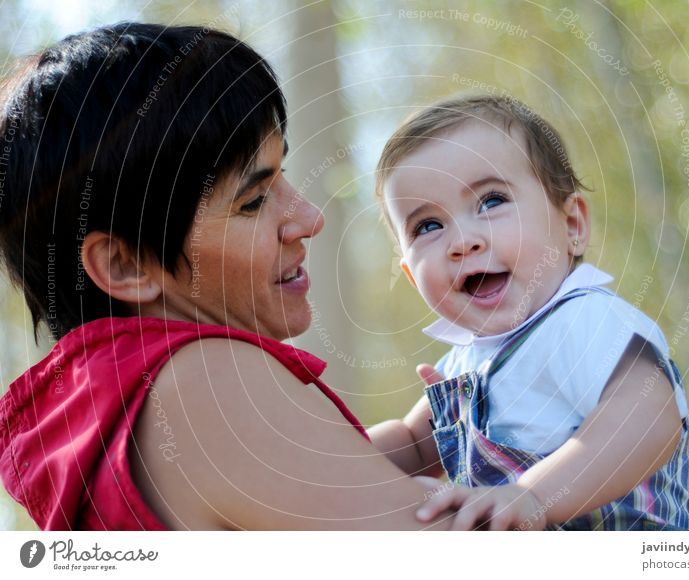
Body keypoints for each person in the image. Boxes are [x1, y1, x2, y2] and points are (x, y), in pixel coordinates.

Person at [0, 22, 453, 531]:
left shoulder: (113, 417)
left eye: (284, 176)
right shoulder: (205, 382)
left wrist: (427, 442)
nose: (309, 219)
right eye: (254, 201)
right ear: (125, 266)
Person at [368, 94, 689, 530]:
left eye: (491, 201)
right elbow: (413, 445)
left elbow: (647, 415)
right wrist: (327, 461)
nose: (462, 241)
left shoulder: (584, 320)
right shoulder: (463, 365)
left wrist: (534, 494)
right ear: (410, 275)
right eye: (428, 226)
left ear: (572, 226)